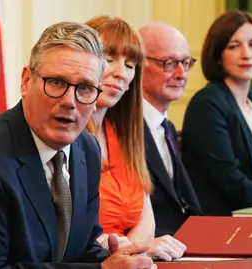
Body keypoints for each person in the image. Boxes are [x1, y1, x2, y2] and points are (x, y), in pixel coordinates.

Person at [0, 22, 155, 269]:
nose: (70, 101)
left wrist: (114, 259)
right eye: (57, 83)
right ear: (26, 81)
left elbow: (80, 249)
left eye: (84, 88)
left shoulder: (87, 150)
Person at [85, 16, 186, 261]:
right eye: (109, 60)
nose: (121, 73)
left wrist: (133, 250)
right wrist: (134, 250)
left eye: (130, 65)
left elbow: (145, 219)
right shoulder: (66, 136)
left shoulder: (124, 135)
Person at [181, 11, 252, 216]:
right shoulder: (207, 103)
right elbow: (230, 180)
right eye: (234, 46)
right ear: (218, 56)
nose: (247, 54)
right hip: (230, 220)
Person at [138, 22, 202, 236]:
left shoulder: (167, 127)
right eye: (169, 63)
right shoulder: (123, 131)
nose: (181, 74)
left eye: (185, 62)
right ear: (137, 65)